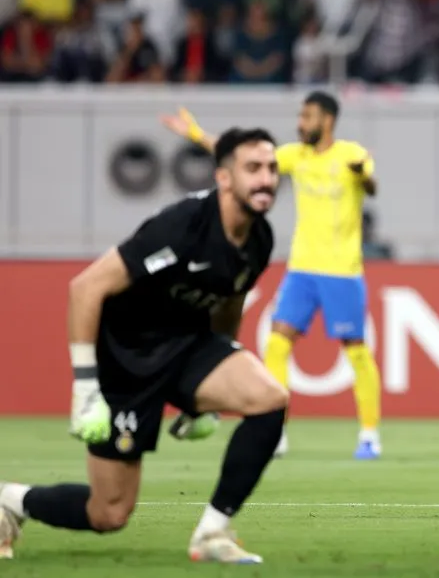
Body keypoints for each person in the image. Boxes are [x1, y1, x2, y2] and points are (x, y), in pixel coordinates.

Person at [0, 128, 284, 563]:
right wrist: (85, 386)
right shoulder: (181, 225)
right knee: (109, 512)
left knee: (270, 399)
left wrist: (211, 384)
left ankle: (212, 533)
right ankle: (12, 501)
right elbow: (85, 289)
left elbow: (230, 300)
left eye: (271, 168)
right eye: (253, 169)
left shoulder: (259, 239)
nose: (266, 178)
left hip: (189, 347)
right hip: (126, 361)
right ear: (224, 178)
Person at [160, 92, 383, 460]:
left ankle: (370, 434)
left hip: (342, 271)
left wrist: (363, 174)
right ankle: (276, 429)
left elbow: (371, 185)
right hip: (302, 270)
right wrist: (197, 135)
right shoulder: (295, 156)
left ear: (326, 120)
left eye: (307, 116)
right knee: (277, 345)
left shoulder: (350, 155)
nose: (300, 122)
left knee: (356, 352)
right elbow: (243, 160)